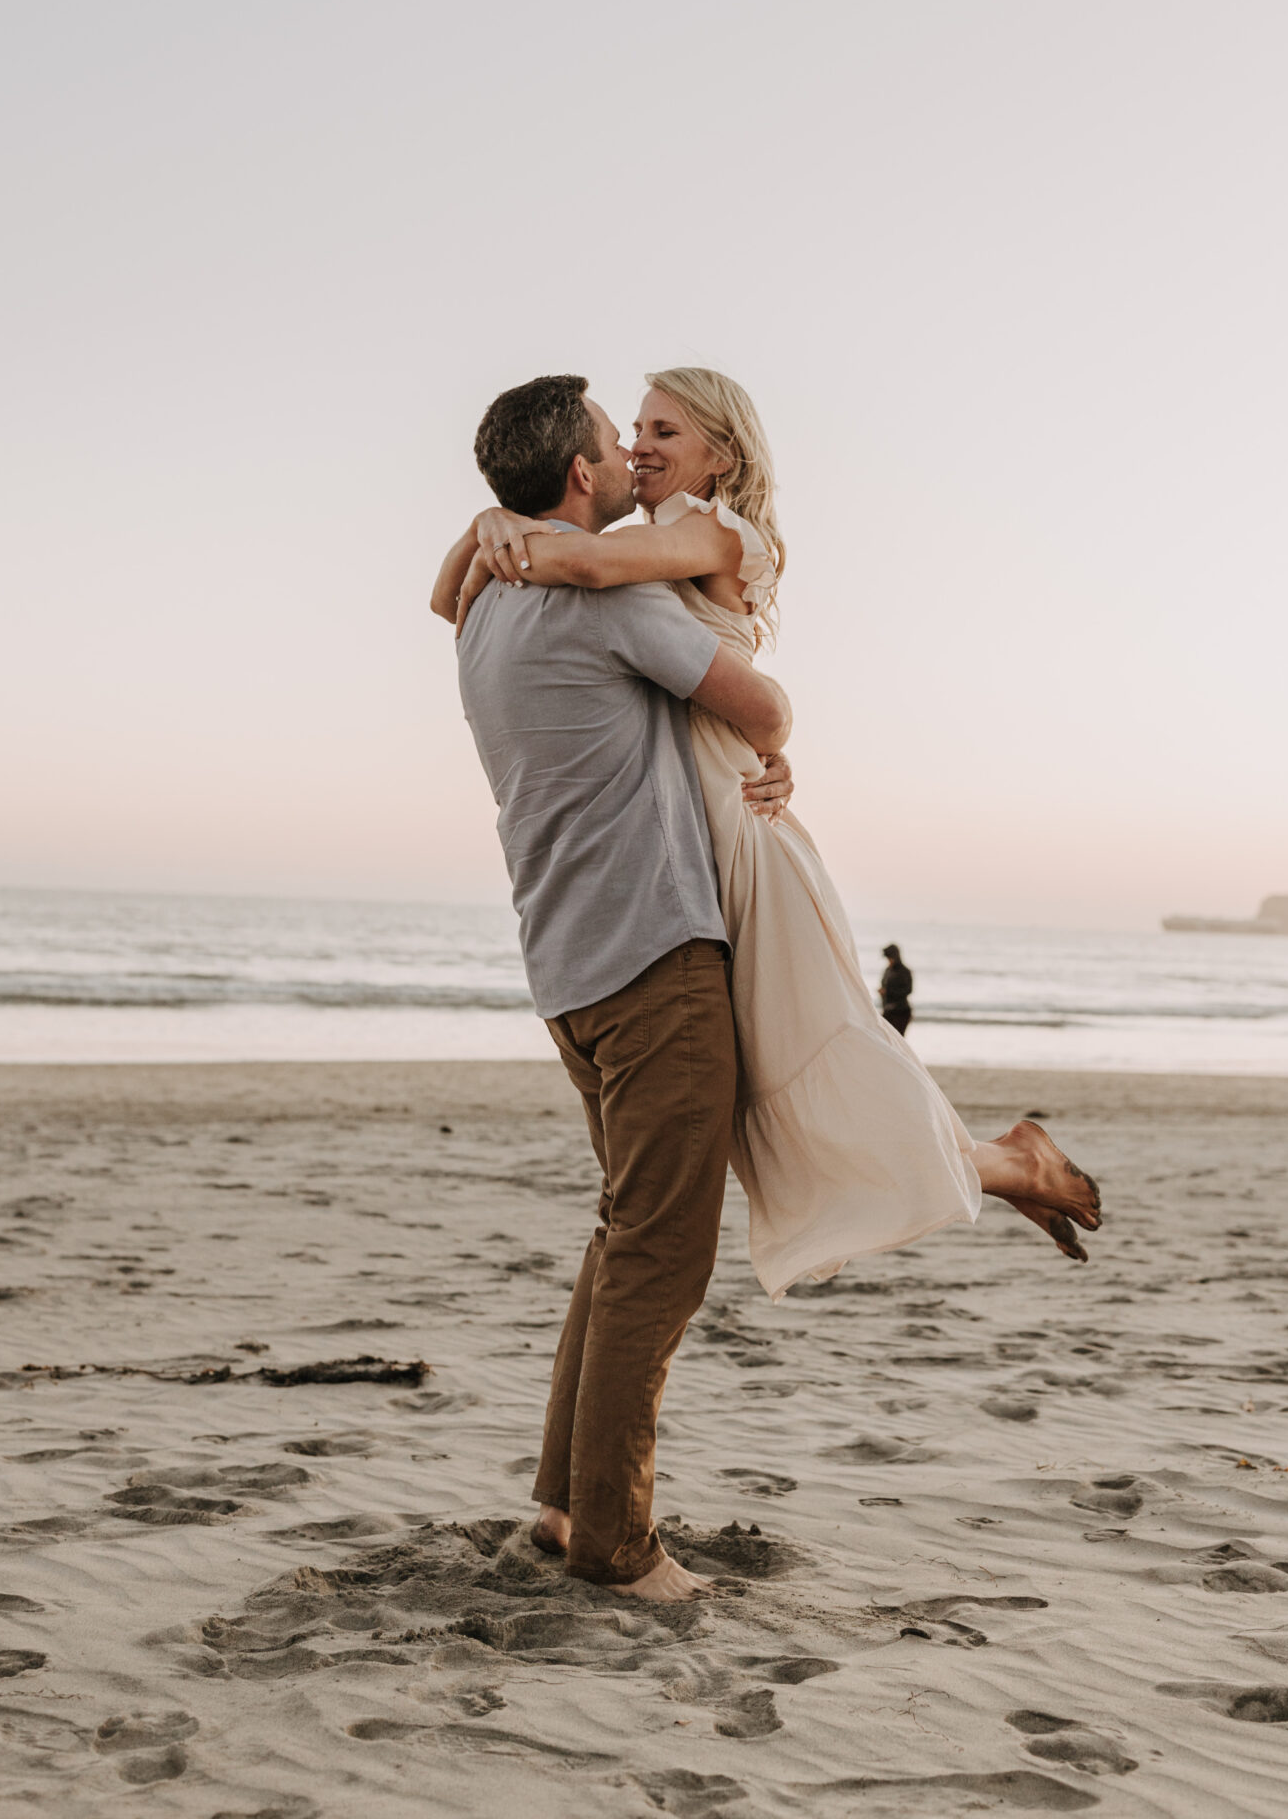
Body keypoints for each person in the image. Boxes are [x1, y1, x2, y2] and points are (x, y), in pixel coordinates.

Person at [441, 365, 1101, 1300]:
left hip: (729, 815)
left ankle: (1002, 1164)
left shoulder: (706, 533)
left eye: (666, 431)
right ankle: (1001, 1164)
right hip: (693, 817)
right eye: (633, 427)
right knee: (765, 1074)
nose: (639, 444)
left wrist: (501, 528)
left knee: (811, 1040)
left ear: (722, 454)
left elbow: (586, 569)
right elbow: (502, 580)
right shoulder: (646, 537)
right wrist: (491, 525)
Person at [435, 376, 794, 1603]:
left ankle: (560, 1501)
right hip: (654, 957)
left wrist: (489, 530)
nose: (631, 452)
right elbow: (756, 703)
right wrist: (777, 748)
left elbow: (451, 583)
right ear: (583, 479)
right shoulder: (602, 599)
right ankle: (616, 1541)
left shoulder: (485, 606)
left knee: (619, 1232)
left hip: (566, 968)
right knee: (660, 1254)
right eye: (615, 438)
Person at [879, 942, 914, 1037]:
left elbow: (908, 990)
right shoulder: (887, 971)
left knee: (897, 1039)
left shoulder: (905, 971)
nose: (889, 960)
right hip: (888, 1010)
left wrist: (888, 992)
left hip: (901, 1011)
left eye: (890, 958)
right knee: (884, 1037)